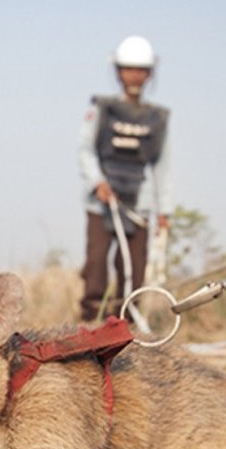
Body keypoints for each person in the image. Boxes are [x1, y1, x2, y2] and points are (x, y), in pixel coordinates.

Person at [78, 35, 172, 322]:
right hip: (102, 203)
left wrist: (164, 211)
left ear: (149, 73)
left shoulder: (157, 117)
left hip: (138, 204)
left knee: (133, 269)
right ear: (118, 71)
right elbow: (86, 150)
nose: (135, 75)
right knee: (96, 266)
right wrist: (98, 182)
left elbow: (161, 165)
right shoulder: (102, 109)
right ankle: (91, 323)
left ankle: (125, 326)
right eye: (129, 68)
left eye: (141, 69)